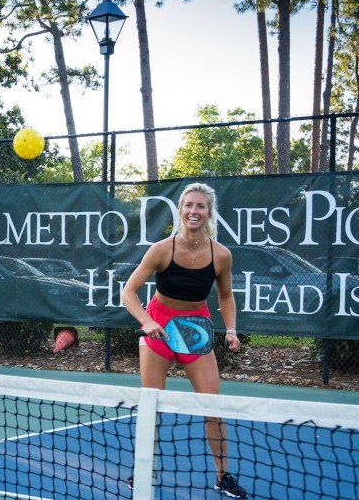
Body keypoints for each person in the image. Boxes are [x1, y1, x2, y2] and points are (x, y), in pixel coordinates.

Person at [120, 182, 249, 499]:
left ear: (208, 213)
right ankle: (143, 469)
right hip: (159, 326)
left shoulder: (221, 255)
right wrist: (147, 321)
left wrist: (231, 329)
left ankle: (222, 476)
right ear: (180, 210)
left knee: (212, 407)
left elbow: (226, 296)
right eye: (188, 205)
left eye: (200, 206)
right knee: (152, 405)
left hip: (196, 328)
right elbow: (128, 293)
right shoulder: (162, 249)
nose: (194, 210)